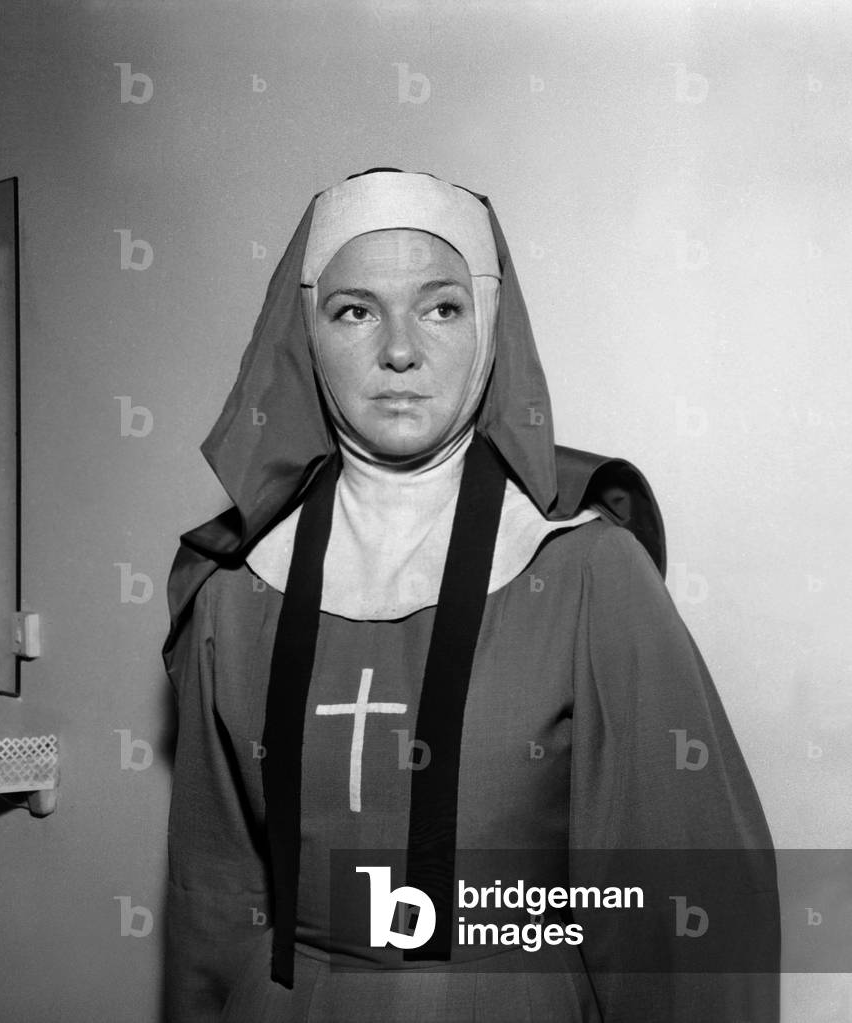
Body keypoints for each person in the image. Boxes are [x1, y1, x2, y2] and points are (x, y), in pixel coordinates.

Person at [161, 169, 780, 1021]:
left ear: (488, 323)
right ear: (305, 334)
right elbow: (213, 894)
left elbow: (680, 912)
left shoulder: (587, 572)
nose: (400, 350)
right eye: (355, 310)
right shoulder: (235, 588)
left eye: (441, 307)